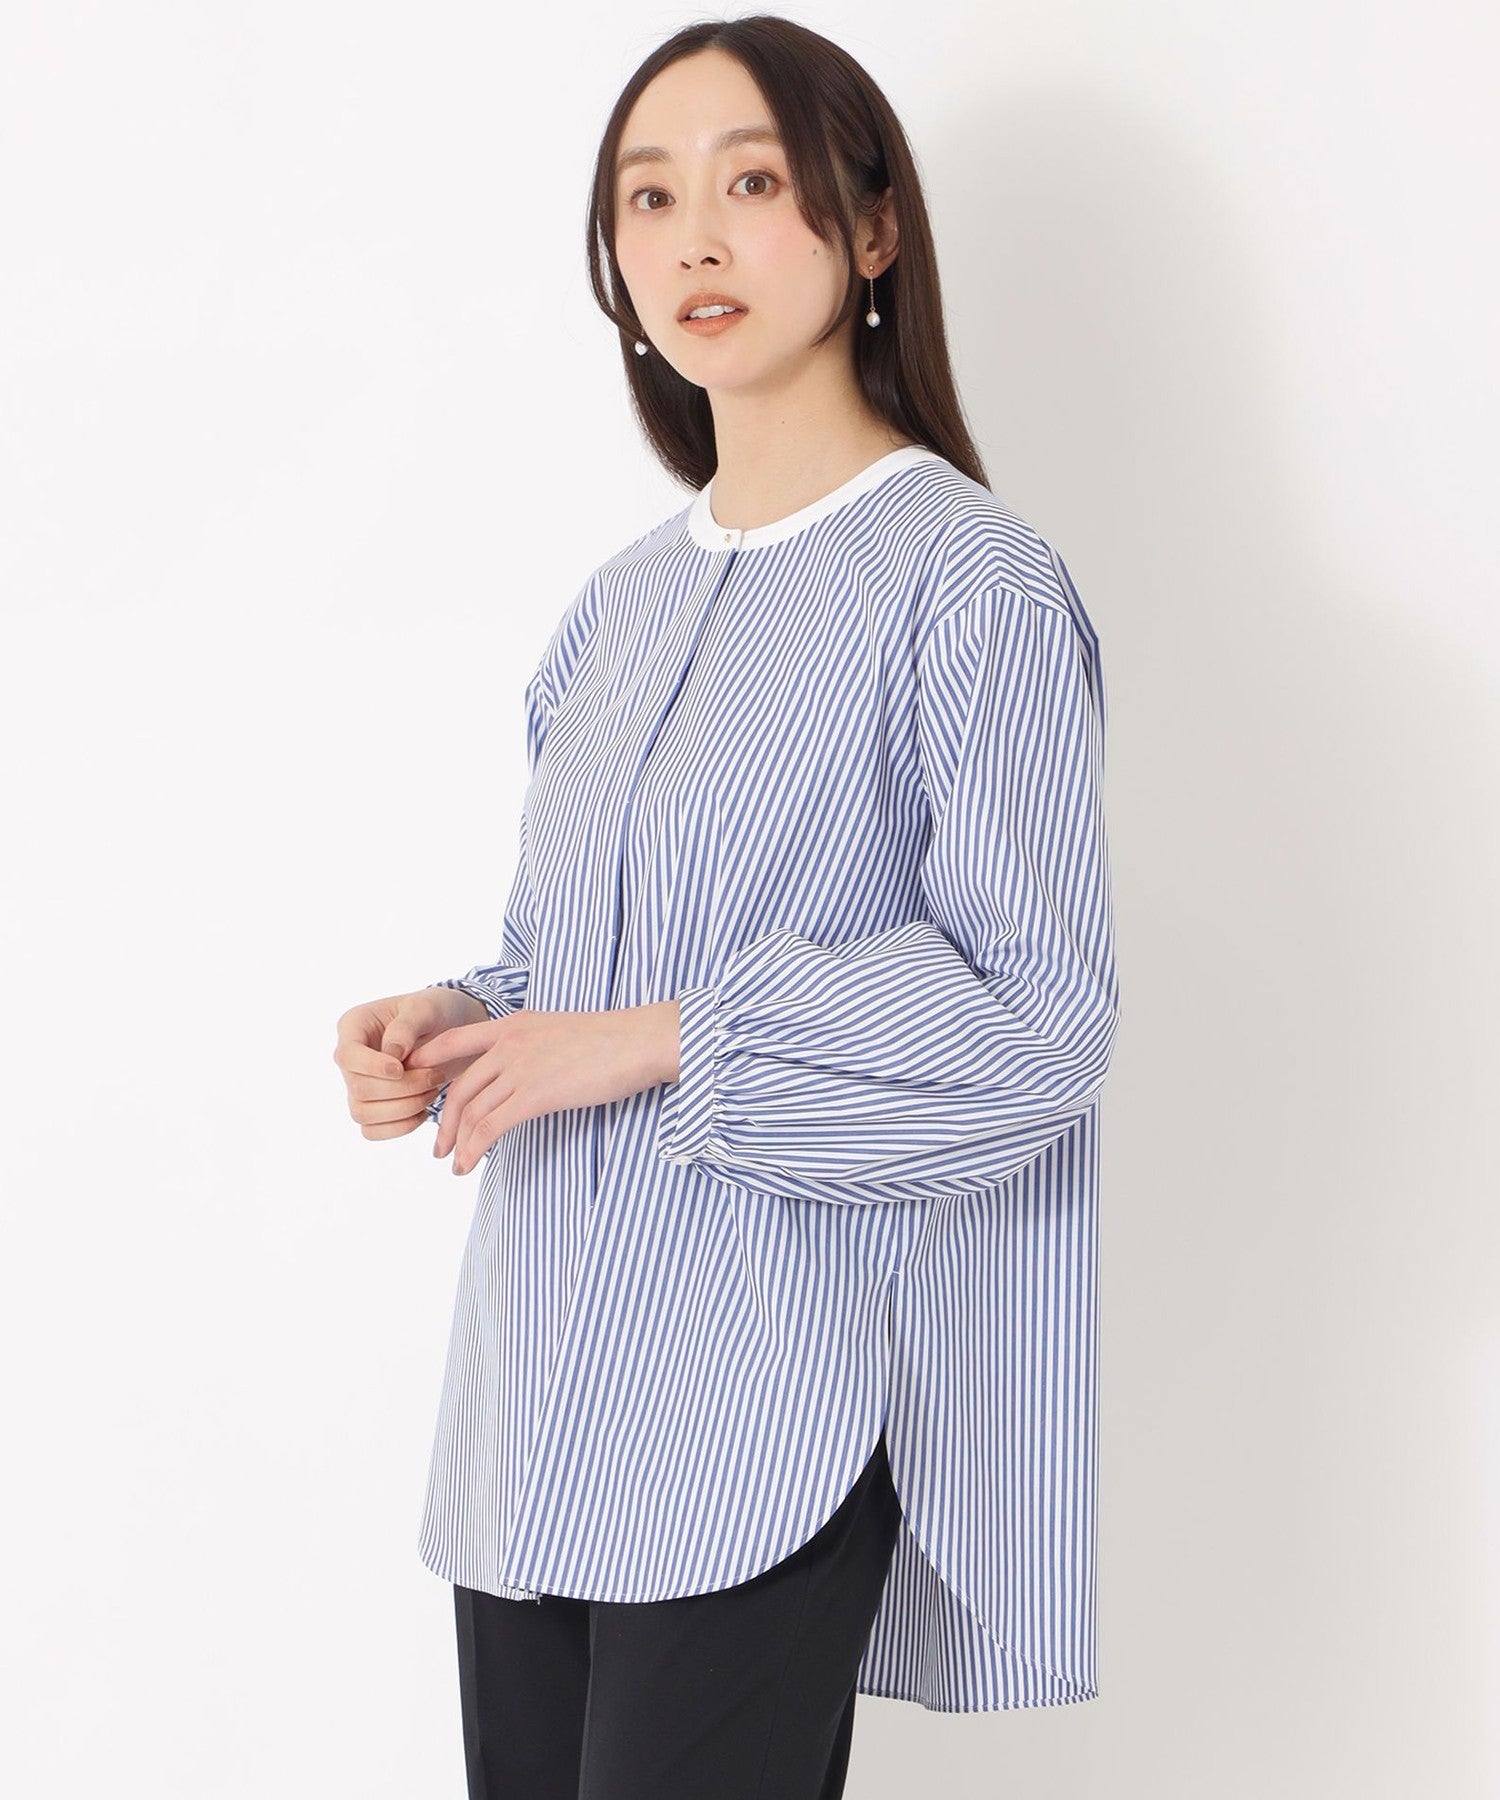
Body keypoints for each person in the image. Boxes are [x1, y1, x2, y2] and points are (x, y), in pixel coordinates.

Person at [333, 15, 1121, 1798]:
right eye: (649, 197)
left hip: (767, 1406)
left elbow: (1041, 1013)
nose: (694, 237)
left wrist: (665, 1041)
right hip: (535, 1411)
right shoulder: (615, 609)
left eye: (752, 184)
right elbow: (579, 965)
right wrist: (461, 1019)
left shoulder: (971, 585)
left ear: (872, 228)